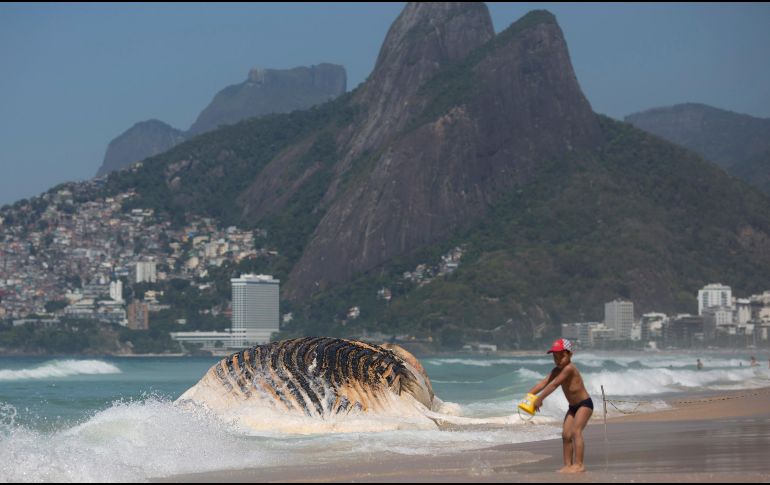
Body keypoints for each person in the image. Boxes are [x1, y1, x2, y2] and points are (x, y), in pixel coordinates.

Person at [528, 338, 593, 473]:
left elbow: (554, 385)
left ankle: (579, 465)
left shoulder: (569, 369)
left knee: (576, 432)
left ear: (570, 354)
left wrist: (540, 399)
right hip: (573, 407)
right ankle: (567, 465)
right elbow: (544, 383)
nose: (558, 360)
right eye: (555, 357)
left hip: (584, 405)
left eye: (561, 356)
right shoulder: (556, 370)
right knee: (565, 435)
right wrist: (529, 395)